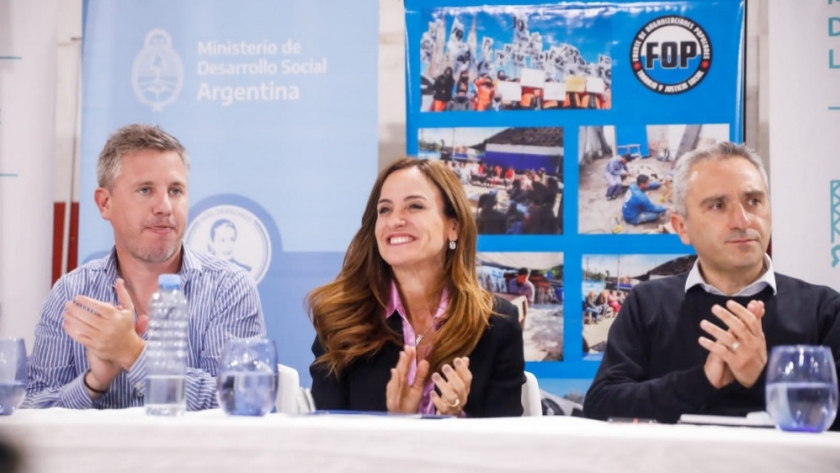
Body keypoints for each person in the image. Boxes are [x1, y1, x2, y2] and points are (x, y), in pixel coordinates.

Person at [583, 142, 840, 430]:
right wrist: (702, 381)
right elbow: (601, 405)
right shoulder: (647, 303)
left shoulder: (824, 310)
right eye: (718, 205)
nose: (742, 221)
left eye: (754, 201)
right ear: (682, 227)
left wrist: (764, 376)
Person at [24, 124, 265, 410]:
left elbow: (242, 401)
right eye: (145, 190)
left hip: (196, 456)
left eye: (175, 191)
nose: (164, 207)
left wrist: (134, 354)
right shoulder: (71, 294)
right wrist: (93, 382)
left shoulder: (228, 287)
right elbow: (33, 413)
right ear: (105, 203)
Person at [308, 158, 525, 417]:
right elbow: (327, 437)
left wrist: (457, 418)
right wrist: (395, 422)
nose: (395, 220)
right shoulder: (340, 319)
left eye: (414, 206)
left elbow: (506, 445)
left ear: (453, 227)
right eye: (385, 210)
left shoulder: (497, 324)